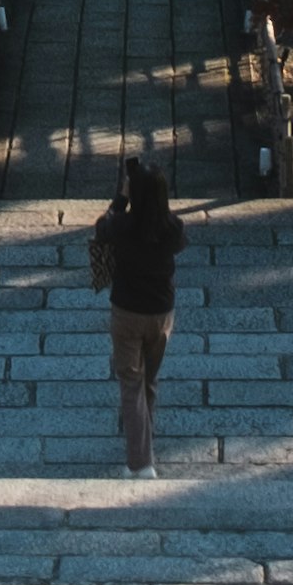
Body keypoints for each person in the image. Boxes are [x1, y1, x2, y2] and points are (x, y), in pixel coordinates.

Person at [87, 153, 182, 473]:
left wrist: (121, 197)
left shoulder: (121, 225)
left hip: (128, 311)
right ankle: (144, 443)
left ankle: (141, 465)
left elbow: (101, 227)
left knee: (131, 384)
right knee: (148, 381)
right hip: (161, 313)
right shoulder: (173, 228)